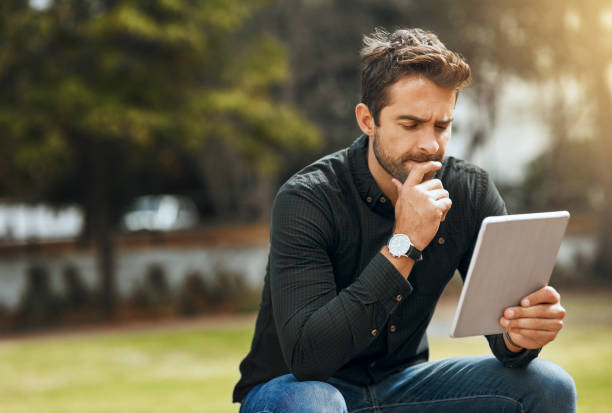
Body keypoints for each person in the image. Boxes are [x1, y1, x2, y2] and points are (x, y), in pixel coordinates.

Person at [233, 27, 576, 412]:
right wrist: (405, 242)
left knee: (550, 386)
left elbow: (505, 337)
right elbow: (309, 358)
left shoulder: (469, 192)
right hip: (295, 390)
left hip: (402, 386)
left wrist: (522, 333)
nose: (430, 144)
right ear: (367, 120)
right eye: (410, 125)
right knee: (316, 402)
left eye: (442, 126)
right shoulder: (308, 198)